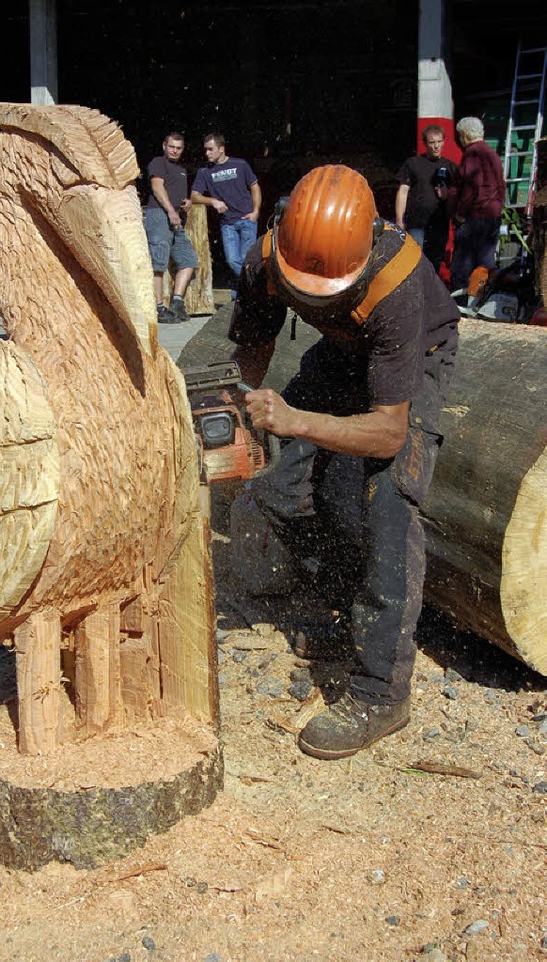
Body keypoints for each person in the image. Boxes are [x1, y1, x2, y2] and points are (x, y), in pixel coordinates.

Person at [229, 165, 460, 760]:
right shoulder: (267, 258)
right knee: (282, 489)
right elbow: (253, 344)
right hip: (341, 349)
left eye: (319, 291)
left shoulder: (397, 286)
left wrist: (296, 421)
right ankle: (339, 606)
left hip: (413, 359)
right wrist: (230, 413)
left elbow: (386, 433)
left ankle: (383, 690)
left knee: (386, 502)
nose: (304, 296)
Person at [191, 133, 261, 297]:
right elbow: (194, 196)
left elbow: (255, 186)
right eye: (205, 150)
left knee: (245, 260)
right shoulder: (204, 172)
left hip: (247, 220)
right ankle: (256, 287)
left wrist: (256, 211)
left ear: (221, 149)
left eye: (210, 149)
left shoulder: (240, 164)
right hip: (227, 223)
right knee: (232, 260)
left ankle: (238, 297)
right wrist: (213, 201)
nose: (207, 153)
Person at [144, 132, 198, 324]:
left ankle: (176, 303)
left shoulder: (182, 169)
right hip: (159, 215)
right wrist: (170, 211)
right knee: (158, 264)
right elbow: (158, 188)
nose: (175, 150)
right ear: (164, 146)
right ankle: (158, 309)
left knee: (189, 260)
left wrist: (187, 203)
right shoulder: (158, 162)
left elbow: (178, 192)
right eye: (172, 146)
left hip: (175, 219)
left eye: (179, 148)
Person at [448, 116, 505, 294]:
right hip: (492, 216)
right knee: (486, 264)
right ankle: (484, 300)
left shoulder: (473, 153)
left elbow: (472, 186)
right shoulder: (492, 153)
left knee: (462, 266)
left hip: (475, 217)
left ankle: (463, 304)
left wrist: (460, 213)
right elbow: (501, 186)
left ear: (464, 134)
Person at [395, 124, 457, 273]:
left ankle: (430, 295)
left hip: (439, 224)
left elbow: (458, 195)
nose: (436, 146)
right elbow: (403, 191)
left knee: (434, 265)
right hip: (417, 223)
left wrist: (447, 194)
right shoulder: (413, 163)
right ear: (425, 143)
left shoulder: (450, 167)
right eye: (432, 142)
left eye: (439, 142)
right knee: (415, 262)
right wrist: (399, 220)